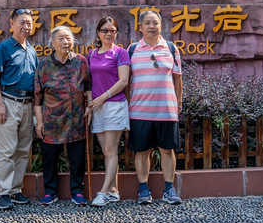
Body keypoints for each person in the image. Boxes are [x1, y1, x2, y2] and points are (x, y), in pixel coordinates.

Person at [128, 10, 183, 205]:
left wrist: (178, 103)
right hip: (139, 111)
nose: (152, 26)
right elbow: (127, 82)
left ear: (161, 26)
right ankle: (143, 189)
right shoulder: (132, 50)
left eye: (156, 23)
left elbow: (177, 79)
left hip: (166, 110)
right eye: (148, 23)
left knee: (167, 150)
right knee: (142, 151)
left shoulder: (170, 48)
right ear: (140, 27)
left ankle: (169, 189)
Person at [34, 26, 91, 206]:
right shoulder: (44, 65)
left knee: (77, 158)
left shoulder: (81, 62)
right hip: (52, 121)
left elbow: (88, 87)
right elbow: (37, 98)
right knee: (49, 158)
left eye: (68, 38)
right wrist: (39, 122)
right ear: (52, 43)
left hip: (76, 119)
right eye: (61, 38)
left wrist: (89, 105)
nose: (65, 42)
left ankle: (77, 191)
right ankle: (50, 192)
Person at [0, 9, 38, 211]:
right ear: (11, 23)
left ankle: (16, 190)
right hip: (8, 102)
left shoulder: (32, 50)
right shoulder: (4, 47)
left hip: (27, 104)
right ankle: (3, 193)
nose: (26, 26)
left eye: (29, 23)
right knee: (7, 151)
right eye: (22, 22)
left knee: (22, 151)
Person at [86, 16, 130, 207]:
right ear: (98, 33)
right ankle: (114, 191)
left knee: (111, 150)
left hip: (114, 105)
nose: (109, 34)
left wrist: (102, 98)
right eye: (105, 30)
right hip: (97, 107)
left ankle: (103, 192)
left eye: (112, 30)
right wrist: (90, 104)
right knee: (106, 151)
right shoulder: (92, 54)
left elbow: (123, 81)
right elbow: (88, 82)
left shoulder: (120, 53)